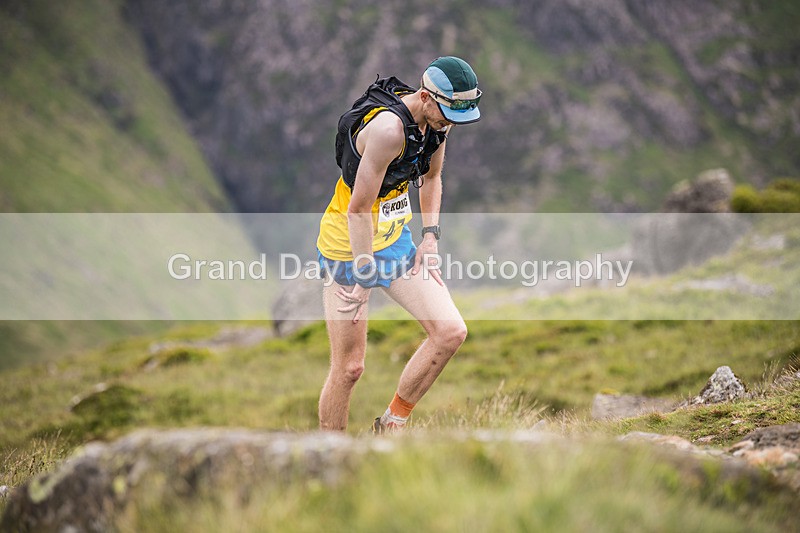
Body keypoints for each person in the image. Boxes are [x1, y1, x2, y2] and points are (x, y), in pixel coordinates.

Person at [316, 56, 482, 432]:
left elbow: (432, 178)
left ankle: (391, 426)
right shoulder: (388, 131)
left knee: (450, 332)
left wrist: (430, 238)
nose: (450, 124)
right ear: (425, 97)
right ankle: (330, 453)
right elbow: (358, 210)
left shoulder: (438, 124)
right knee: (349, 368)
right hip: (348, 247)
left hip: (394, 241)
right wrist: (364, 275)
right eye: (447, 115)